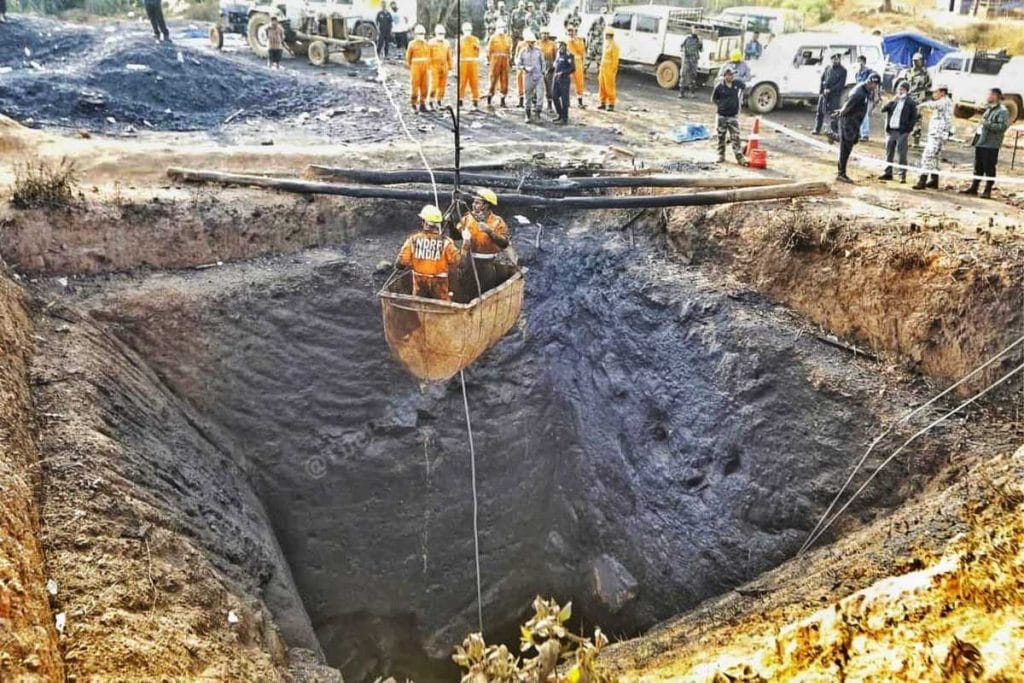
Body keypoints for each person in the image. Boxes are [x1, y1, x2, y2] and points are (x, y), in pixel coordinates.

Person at [397, 205, 465, 300]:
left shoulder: (413, 240)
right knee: (441, 306)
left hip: (420, 286)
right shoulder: (446, 243)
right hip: (440, 287)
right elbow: (461, 263)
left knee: (418, 305)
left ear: (425, 223)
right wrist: (466, 246)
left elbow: (400, 264)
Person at [960, 88, 1009, 198]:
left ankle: (987, 190)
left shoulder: (1002, 111)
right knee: (978, 166)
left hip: (991, 144)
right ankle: (974, 187)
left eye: (989, 95)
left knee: (989, 167)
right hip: (981, 141)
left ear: (995, 96)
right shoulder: (989, 109)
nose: (987, 97)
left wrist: (987, 124)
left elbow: (1002, 127)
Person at [459, 188, 510, 293]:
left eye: (477, 203)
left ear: (486, 205)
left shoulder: (497, 222)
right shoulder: (468, 218)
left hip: (487, 264)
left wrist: (489, 231)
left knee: (485, 291)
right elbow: (456, 234)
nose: (473, 205)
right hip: (469, 262)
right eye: (474, 202)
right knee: (465, 290)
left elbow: (505, 243)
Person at [833, 72, 880, 183]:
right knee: (845, 148)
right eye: (875, 85)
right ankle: (841, 173)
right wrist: (840, 113)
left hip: (855, 122)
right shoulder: (859, 93)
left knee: (854, 140)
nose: (875, 87)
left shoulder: (867, 90)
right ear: (870, 83)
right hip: (848, 123)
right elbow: (847, 106)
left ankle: (837, 137)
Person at [912, 85, 952, 190]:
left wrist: (921, 105)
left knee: (928, 156)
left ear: (942, 93)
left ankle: (922, 180)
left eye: (936, 92)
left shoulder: (944, 102)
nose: (933, 94)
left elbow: (933, 105)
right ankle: (934, 179)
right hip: (937, 134)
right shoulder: (945, 102)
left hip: (937, 134)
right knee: (935, 157)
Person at [877, 80, 917, 183]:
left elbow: (914, 118)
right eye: (899, 89)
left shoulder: (911, 103)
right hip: (891, 130)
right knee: (889, 152)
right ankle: (888, 173)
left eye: (902, 89)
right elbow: (883, 109)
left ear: (907, 91)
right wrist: (892, 100)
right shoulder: (894, 101)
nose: (900, 91)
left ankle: (902, 175)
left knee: (901, 154)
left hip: (902, 132)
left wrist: (908, 130)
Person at [711, 66, 747, 166]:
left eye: (732, 74)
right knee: (721, 136)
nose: (732, 76)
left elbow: (744, 87)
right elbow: (713, 99)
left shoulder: (737, 83)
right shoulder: (719, 86)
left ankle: (739, 157)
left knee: (736, 137)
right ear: (725, 75)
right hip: (722, 116)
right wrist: (721, 106)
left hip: (733, 116)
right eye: (729, 75)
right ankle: (721, 155)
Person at [899, 52, 932, 147]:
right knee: (904, 118)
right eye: (914, 61)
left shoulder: (925, 74)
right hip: (908, 97)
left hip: (918, 99)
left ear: (922, 62)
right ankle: (903, 139)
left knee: (917, 119)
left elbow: (928, 86)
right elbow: (903, 84)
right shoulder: (908, 72)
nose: (915, 63)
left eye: (917, 61)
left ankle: (916, 141)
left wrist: (924, 98)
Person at [813, 53, 846, 139]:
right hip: (824, 93)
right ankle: (817, 129)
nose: (835, 60)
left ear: (839, 60)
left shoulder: (843, 70)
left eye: (837, 59)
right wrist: (822, 91)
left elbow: (841, 84)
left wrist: (830, 90)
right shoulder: (827, 68)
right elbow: (822, 79)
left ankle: (834, 132)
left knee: (834, 113)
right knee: (820, 111)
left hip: (834, 94)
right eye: (833, 59)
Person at [517, 30, 545, 122]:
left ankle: (538, 114)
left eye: (533, 42)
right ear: (526, 42)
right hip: (528, 76)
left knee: (540, 95)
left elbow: (543, 62)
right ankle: (528, 115)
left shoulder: (538, 51)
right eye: (530, 42)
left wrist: (542, 72)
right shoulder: (523, 52)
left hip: (538, 76)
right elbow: (518, 63)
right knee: (528, 96)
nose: (532, 44)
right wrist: (524, 68)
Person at [487, 21, 513, 108]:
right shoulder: (493, 38)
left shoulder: (508, 38)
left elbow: (509, 51)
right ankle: (489, 98)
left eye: (503, 27)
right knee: (493, 79)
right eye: (500, 27)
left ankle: (502, 100)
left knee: (505, 80)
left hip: (505, 61)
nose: (501, 29)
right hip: (495, 61)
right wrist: (490, 60)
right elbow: (489, 51)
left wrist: (509, 60)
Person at [406, 25, 430, 112]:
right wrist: (411, 67)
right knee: (415, 87)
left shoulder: (426, 44)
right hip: (415, 68)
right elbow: (408, 57)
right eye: (420, 33)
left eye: (423, 33)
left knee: (425, 86)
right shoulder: (412, 44)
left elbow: (429, 56)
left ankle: (422, 104)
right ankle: (414, 104)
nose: (421, 35)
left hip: (425, 68)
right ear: (416, 34)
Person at [458, 22, 482, 110]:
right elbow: (457, 53)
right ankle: (460, 100)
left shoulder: (475, 39)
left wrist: (476, 48)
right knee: (462, 82)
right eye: (466, 30)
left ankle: (475, 101)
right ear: (463, 30)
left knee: (474, 82)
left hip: (473, 63)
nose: (467, 31)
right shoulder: (460, 40)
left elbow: (478, 52)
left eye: (469, 30)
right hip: (463, 63)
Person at [854, 55, 878, 141]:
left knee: (864, 114)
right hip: (858, 96)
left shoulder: (870, 73)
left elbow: (876, 84)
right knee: (857, 115)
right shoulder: (857, 73)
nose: (858, 63)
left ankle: (865, 134)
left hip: (867, 96)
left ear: (864, 62)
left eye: (860, 61)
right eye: (857, 61)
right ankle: (859, 133)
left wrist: (876, 95)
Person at [428, 25, 452, 110]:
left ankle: (439, 101)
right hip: (434, 66)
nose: (441, 35)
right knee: (434, 85)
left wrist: (450, 67)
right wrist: (428, 67)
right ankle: (430, 101)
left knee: (442, 85)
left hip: (444, 66)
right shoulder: (431, 43)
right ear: (436, 33)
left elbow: (449, 56)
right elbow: (428, 55)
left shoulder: (446, 43)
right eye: (439, 33)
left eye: (442, 34)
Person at [551, 39, 576, 123]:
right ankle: (559, 114)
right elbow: (555, 65)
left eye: (562, 45)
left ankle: (564, 118)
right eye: (559, 44)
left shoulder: (569, 55)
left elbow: (572, 68)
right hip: (556, 79)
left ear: (565, 46)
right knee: (554, 97)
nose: (560, 46)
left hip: (564, 80)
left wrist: (563, 72)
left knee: (564, 99)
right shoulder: (558, 54)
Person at [597, 27, 619, 111]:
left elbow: (615, 60)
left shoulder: (614, 46)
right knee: (602, 85)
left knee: (609, 86)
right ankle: (602, 102)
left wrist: (613, 70)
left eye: (608, 35)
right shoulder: (606, 44)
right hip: (603, 68)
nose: (606, 36)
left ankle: (611, 104)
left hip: (609, 69)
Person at [566, 25, 586, 108]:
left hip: (577, 61)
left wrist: (575, 41)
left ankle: (580, 101)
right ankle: (566, 101)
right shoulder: (565, 40)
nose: (570, 32)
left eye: (572, 31)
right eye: (569, 31)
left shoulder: (579, 40)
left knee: (579, 82)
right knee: (566, 81)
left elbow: (582, 51)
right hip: (567, 62)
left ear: (575, 31)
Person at [538, 29, 557, 112]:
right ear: (540, 34)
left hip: (549, 66)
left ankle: (549, 105)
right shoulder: (537, 43)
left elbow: (556, 56)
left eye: (546, 33)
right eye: (543, 33)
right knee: (538, 85)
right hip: (539, 65)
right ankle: (536, 105)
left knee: (549, 86)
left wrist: (553, 66)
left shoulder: (552, 44)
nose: (545, 35)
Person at [679, 27, 701, 98]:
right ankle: (681, 92)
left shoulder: (699, 39)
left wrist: (699, 41)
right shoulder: (687, 38)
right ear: (692, 30)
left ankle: (692, 93)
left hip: (694, 60)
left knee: (693, 76)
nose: (696, 31)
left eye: (697, 30)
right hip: (686, 59)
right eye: (694, 30)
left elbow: (701, 49)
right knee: (683, 75)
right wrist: (683, 54)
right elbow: (681, 46)